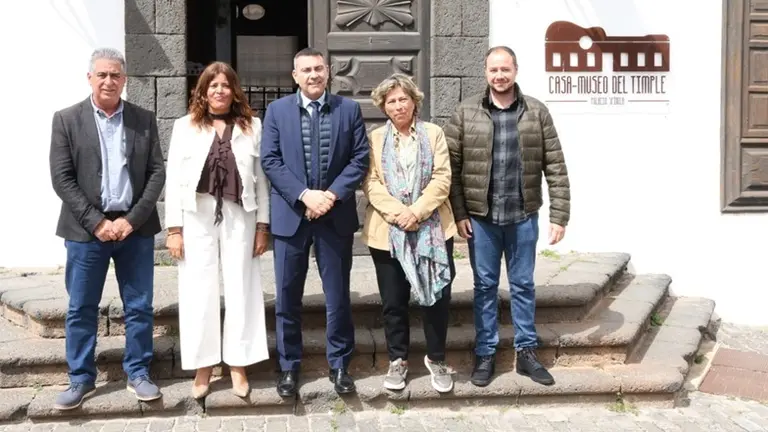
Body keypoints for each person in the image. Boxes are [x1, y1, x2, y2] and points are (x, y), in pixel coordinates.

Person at [444, 46, 571, 387]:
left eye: (505, 69)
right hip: (481, 218)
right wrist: (459, 213)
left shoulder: (536, 112)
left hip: (522, 216)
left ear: (515, 70)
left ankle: (526, 353)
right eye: (493, 70)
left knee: (523, 285)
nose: (499, 75)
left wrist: (560, 215)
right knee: (485, 287)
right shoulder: (466, 111)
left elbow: (555, 166)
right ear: (484, 73)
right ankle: (485, 353)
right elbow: (451, 169)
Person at [49, 48, 165, 410]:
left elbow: (157, 172)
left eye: (115, 75)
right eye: (102, 75)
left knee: (140, 305)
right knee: (82, 307)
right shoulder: (67, 119)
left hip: (135, 228)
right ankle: (81, 378)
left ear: (125, 79)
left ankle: (139, 372)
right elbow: (61, 177)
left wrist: (131, 220)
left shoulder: (143, 119)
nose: (109, 81)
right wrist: (96, 221)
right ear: (90, 78)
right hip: (86, 231)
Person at [260, 47, 370, 397]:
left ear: (328, 72)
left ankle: (339, 365)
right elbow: (270, 160)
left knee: (337, 297)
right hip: (291, 216)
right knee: (288, 297)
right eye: (306, 70)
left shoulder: (348, 109)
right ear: (295, 76)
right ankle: (289, 367)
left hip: (334, 217)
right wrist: (305, 195)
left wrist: (331, 195)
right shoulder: (276, 111)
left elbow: (359, 158)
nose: (313, 75)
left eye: (319, 69)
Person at [164, 61, 271, 399]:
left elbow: (262, 179)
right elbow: (172, 178)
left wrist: (262, 226)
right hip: (197, 215)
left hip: (242, 214)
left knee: (242, 287)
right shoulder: (185, 126)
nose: (219, 91)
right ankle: (204, 366)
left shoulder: (253, 125)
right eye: (213, 85)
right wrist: (174, 228)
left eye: (225, 85)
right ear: (203, 91)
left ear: (234, 90)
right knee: (198, 290)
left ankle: (239, 364)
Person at [362, 73, 458, 393]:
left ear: (415, 101)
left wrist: (416, 212)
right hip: (388, 232)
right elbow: (371, 182)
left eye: (404, 98)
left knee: (436, 297)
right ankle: (398, 359)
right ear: (383, 106)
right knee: (394, 300)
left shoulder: (434, 134)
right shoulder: (375, 139)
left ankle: (437, 358)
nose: (398, 105)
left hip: (431, 228)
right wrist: (398, 214)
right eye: (391, 101)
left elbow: (442, 178)